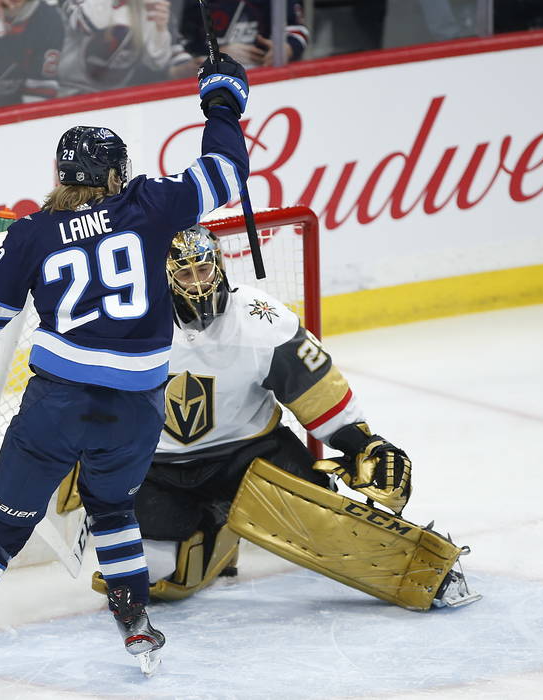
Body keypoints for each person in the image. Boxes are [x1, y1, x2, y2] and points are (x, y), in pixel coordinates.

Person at [0, 52, 253, 681]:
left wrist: (10, 256)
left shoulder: (33, 233)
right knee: (114, 512)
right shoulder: (150, 205)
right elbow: (228, 173)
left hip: (56, 408)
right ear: (118, 173)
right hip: (134, 411)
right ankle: (135, 626)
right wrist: (222, 99)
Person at [87, 224, 479, 611]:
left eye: (204, 269)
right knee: (150, 573)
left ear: (220, 265)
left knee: (324, 523)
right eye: (185, 273)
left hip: (247, 454)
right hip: (157, 466)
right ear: (166, 277)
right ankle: (211, 528)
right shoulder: (129, 325)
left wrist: (362, 444)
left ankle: (422, 571)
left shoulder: (261, 319)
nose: (198, 283)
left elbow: (316, 389)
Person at [57, 0, 196, 97]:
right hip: (69, 93)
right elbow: (85, 23)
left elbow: (156, 61)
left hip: (118, 97)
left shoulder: (146, 5)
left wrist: (159, 29)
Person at [180, 0, 309, 68]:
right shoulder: (192, 4)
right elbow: (182, 47)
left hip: (263, 76)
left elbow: (298, 29)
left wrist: (286, 48)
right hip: (211, 82)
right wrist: (215, 56)